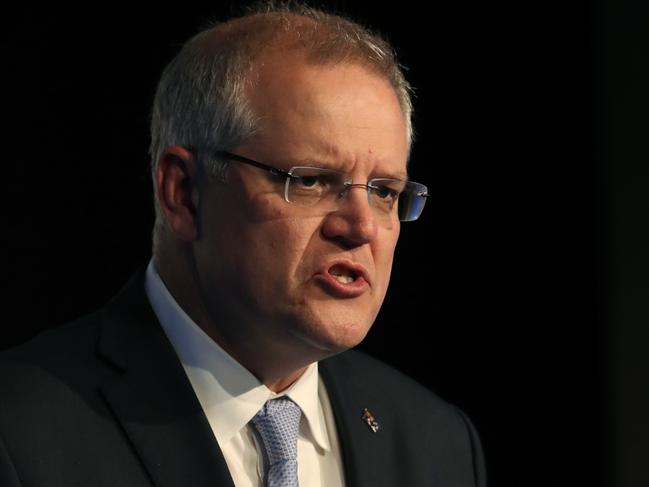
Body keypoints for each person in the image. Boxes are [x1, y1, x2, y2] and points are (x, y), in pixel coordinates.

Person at [0, 4, 486, 486]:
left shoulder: (436, 443)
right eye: (312, 180)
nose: (361, 226)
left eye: (383, 191)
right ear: (184, 193)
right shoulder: (20, 432)